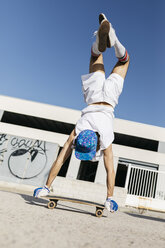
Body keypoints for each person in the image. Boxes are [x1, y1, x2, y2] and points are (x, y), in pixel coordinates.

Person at [33, 13, 130, 213]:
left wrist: (45, 188)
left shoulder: (105, 138)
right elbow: (62, 159)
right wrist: (46, 187)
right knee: (96, 55)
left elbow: (107, 169)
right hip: (94, 95)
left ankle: (108, 39)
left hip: (109, 100)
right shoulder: (78, 131)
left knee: (123, 62)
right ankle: (108, 38)